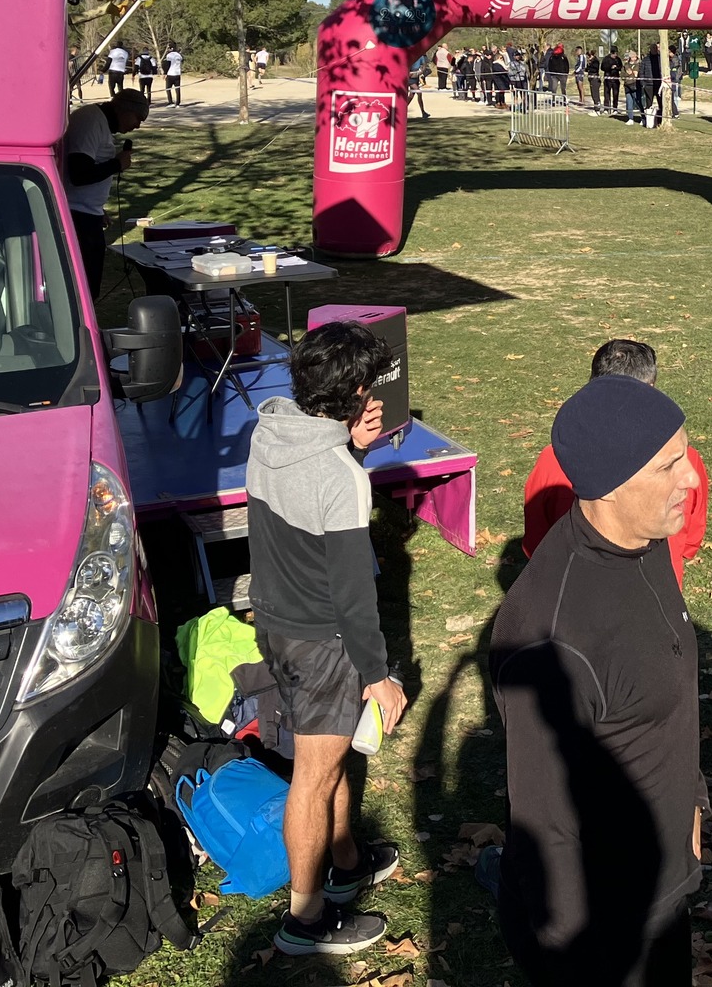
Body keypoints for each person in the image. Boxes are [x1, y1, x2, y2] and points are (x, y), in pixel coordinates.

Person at [490, 376, 706, 987]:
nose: (692, 480)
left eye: (686, 456)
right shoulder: (552, 638)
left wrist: (691, 800)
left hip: (662, 889)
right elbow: (547, 832)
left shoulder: (646, 543)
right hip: (607, 928)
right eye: (668, 467)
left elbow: (666, 685)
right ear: (609, 486)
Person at [245, 322, 406, 957]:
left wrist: (353, 446)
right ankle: (306, 919)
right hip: (323, 643)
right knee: (313, 776)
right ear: (357, 391)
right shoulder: (340, 477)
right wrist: (378, 673)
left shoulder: (270, 431)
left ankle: (346, 864)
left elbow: (309, 491)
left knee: (329, 756)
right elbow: (353, 595)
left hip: (276, 625)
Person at [522, 339, 710, 584]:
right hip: (657, 584)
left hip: (576, 584)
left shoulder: (552, 459)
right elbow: (692, 536)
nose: (689, 478)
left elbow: (536, 542)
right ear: (651, 389)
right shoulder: (685, 459)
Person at [62, 89, 147, 297]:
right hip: (76, 217)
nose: (137, 125)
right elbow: (79, 173)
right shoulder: (91, 121)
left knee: (91, 285)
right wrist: (117, 164)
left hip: (87, 213)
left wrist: (97, 207)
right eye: (138, 118)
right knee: (84, 288)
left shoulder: (98, 122)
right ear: (124, 109)